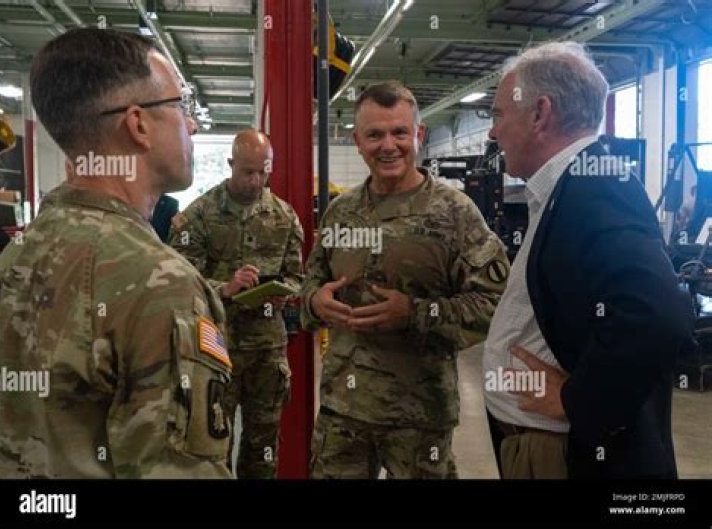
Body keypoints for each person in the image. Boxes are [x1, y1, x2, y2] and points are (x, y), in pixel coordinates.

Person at [0, 28, 233, 478]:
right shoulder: (161, 282)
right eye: (181, 105)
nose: (193, 125)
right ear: (138, 124)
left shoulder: (16, 258)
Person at [482, 41, 695, 479]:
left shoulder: (594, 188)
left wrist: (578, 399)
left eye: (499, 115)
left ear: (539, 114)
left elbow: (659, 313)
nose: (492, 133)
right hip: (539, 442)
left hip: (561, 452)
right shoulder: (569, 186)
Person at [300, 81, 509, 479]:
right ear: (357, 141)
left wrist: (415, 313)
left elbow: (494, 303)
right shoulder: (340, 212)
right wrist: (315, 301)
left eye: (399, 132)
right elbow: (310, 282)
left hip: (419, 415)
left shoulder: (455, 213)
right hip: (343, 409)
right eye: (374, 135)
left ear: (419, 134)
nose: (388, 146)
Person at [169, 129, 304, 478]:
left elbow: (297, 276)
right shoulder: (199, 216)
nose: (256, 180)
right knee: (214, 443)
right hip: (216, 347)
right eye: (248, 172)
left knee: (264, 444)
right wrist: (225, 288)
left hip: (267, 351)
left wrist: (285, 292)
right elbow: (179, 281)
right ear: (230, 164)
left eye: (263, 171)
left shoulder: (284, 217)